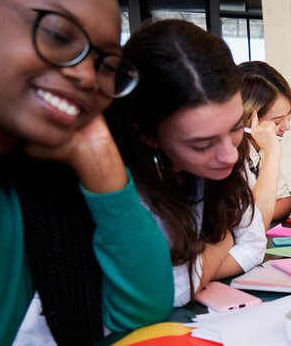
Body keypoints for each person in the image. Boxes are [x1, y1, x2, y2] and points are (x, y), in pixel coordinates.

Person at [0, 0, 173, 344]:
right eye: (58, 35)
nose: (86, 77)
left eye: (105, 63)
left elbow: (141, 313)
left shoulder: (17, 184)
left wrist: (100, 159)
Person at [105, 19, 265, 307]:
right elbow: (166, 293)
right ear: (149, 137)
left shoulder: (219, 156)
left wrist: (197, 269)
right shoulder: (118, 187)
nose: (229, 155)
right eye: (202, 144)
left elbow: (254, 244)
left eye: (236, 127)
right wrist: (224, 240)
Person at [237, 61, 291, 227]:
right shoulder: (229, 155)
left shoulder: (261, 149)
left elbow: (285, 202)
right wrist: (273, 152)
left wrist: (262, 212)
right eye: (277, 121)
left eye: (288, 116)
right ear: (248, 119)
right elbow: (254, 221)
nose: (287, 126)